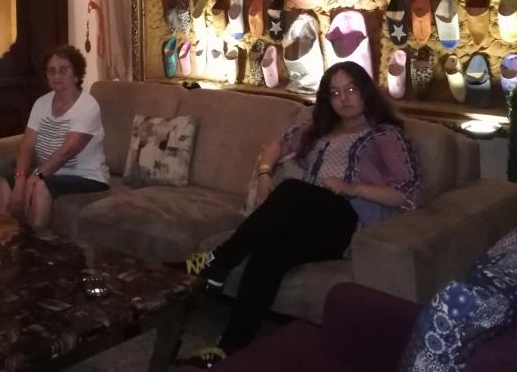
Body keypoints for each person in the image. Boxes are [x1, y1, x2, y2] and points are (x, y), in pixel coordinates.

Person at [178, 61, 422, 369]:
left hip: (346, 219)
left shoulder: (386, 135)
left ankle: (219, 260)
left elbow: (407, 192)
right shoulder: (318, 130)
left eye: (351, 89)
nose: (344, 98)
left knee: (292, 189)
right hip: (306, 220)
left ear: (365, 92)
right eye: (335, 93)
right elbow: (276, 145)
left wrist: (353, 188)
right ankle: (229, 348)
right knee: (270, 251)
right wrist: (264, 174)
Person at [0, 45, 109, 228]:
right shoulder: (41, 103)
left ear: (77, 75)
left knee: (40, 187)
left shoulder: (88, 106)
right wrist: (20, 179)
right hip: (50, 175)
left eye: (63, 70)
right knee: (5, 182)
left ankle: (36, 241)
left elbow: (66, 151)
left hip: (87, 177)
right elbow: (26, 146)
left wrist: (35, 176)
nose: (57, 76)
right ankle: (9, 239)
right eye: (52, 71)